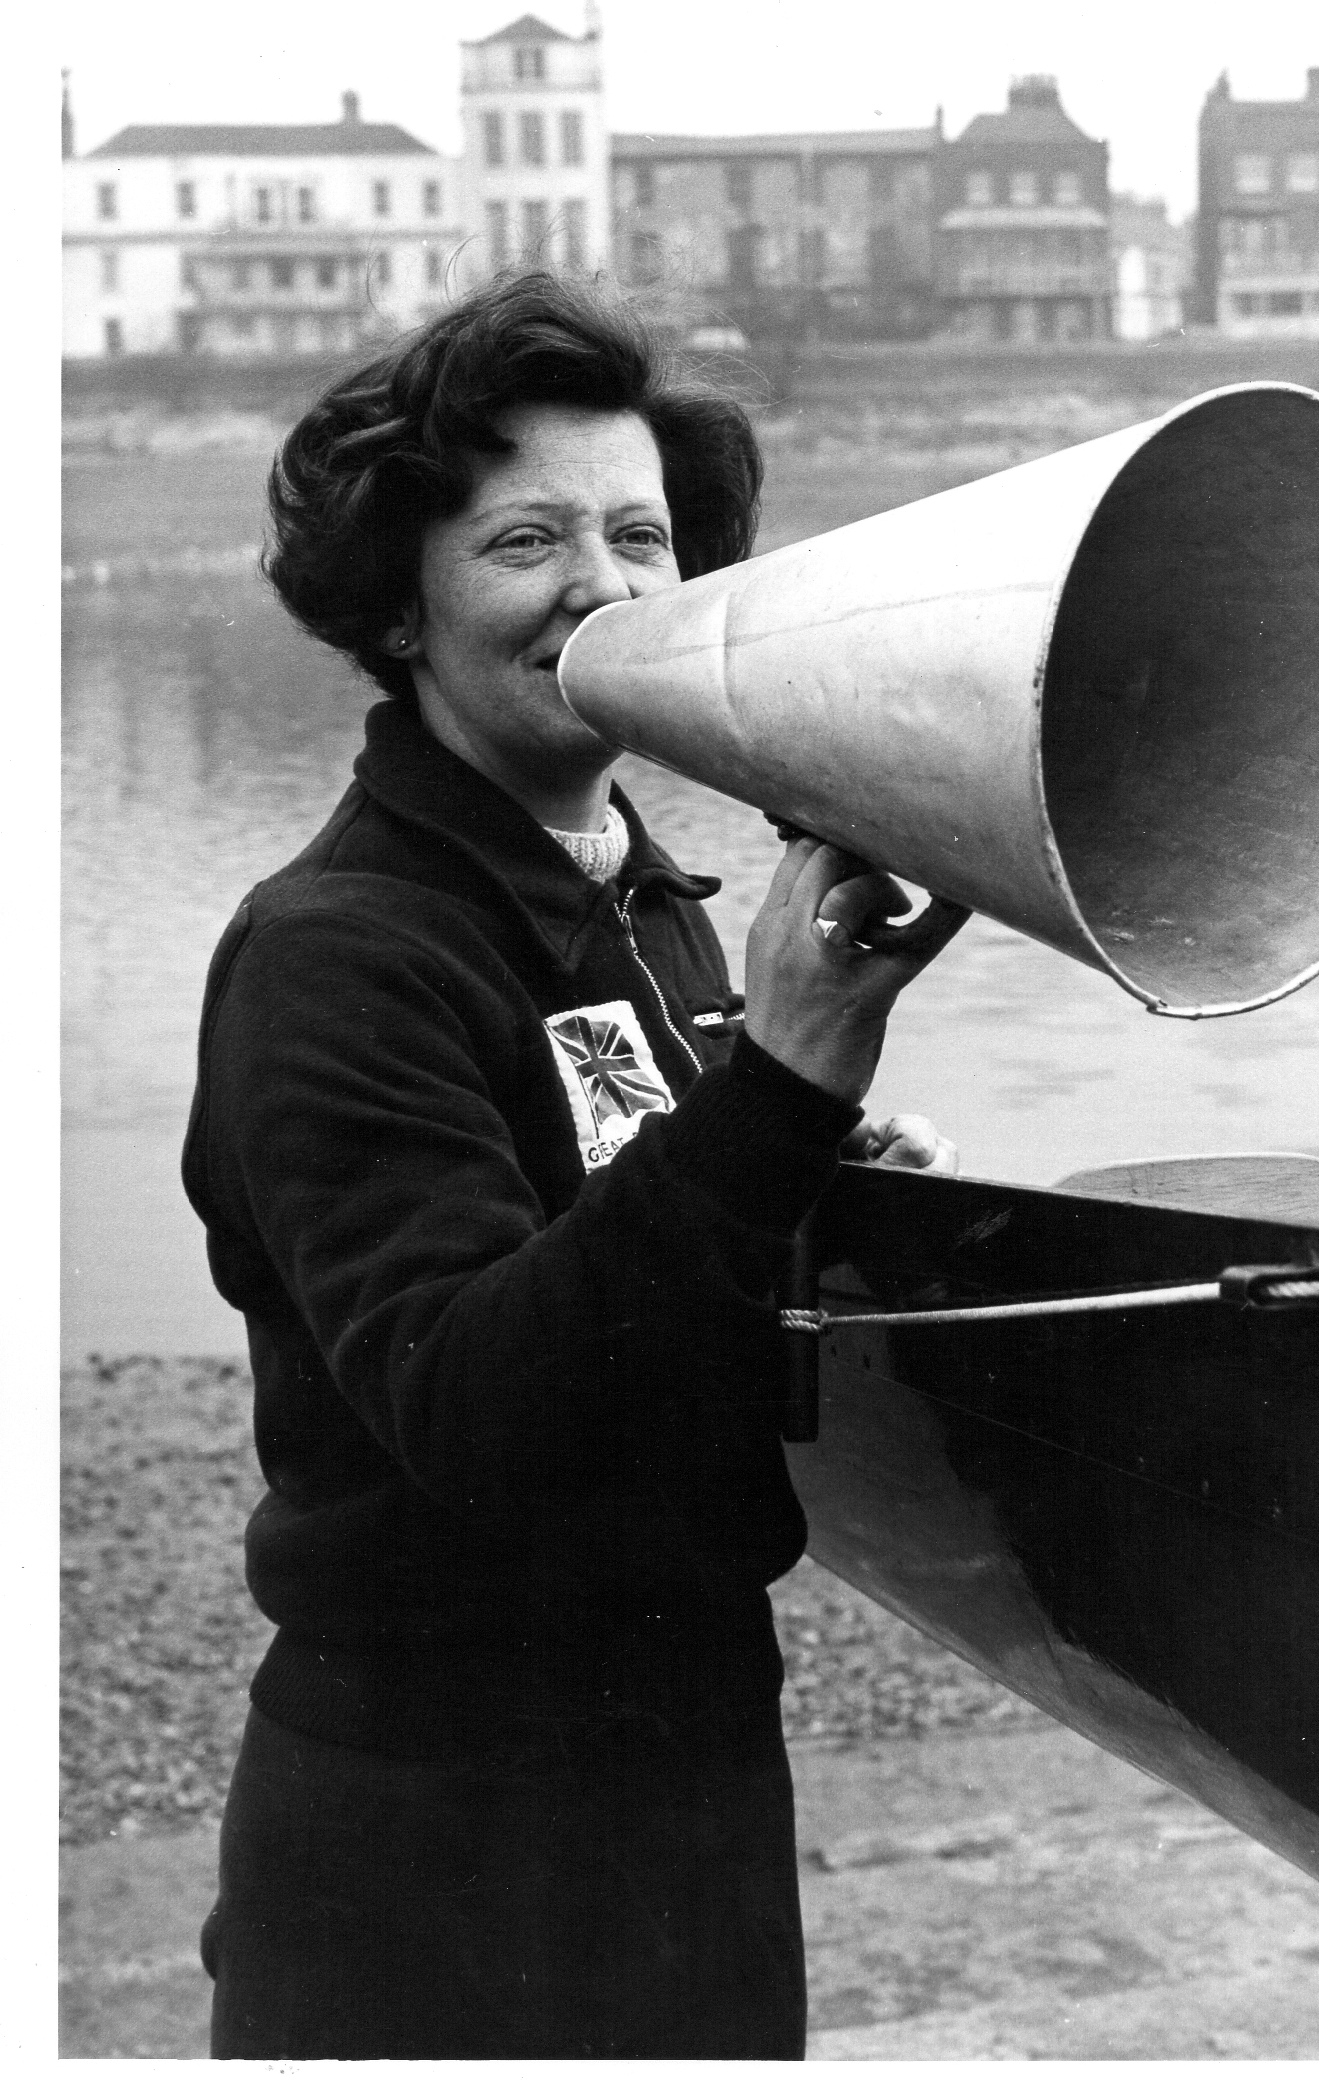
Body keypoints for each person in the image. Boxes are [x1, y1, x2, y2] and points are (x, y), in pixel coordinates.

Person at [182, 272, 965, 2059]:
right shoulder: (335, 951)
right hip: (435, 1827)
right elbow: (472, 1399)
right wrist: (771, 1087)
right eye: (526, 538)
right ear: (400, 602)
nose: (605, 586)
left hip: (686, 1771)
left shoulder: (650, 903)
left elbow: (637, 1253)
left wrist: (818, 1180)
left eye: (643, 534)